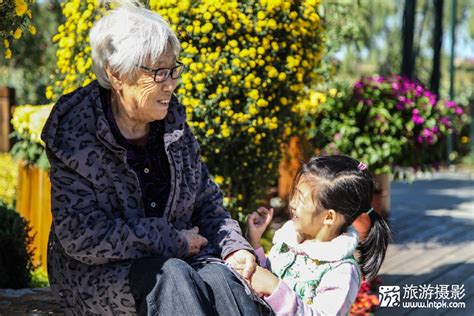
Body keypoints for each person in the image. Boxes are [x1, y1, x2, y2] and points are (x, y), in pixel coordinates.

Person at [41, 1, 270, 315]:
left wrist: (234, 246)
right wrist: (169, 240)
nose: (171, 83)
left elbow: (206, 201)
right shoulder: (77, 134)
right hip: (98, 275)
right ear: (117, 73)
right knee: (172, 276)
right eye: (158, 72)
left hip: (180, 259)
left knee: (224, 279)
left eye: (174, 70)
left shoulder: (173, 126)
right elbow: (82, 236)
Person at [246, 155, 391, 315]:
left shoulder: (341, 272)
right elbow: (266, 277)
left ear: (329, 217)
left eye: (300, 199)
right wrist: (255, 243)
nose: (292, 203)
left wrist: (275, 288)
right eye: (294, 193)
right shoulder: (289, 241)